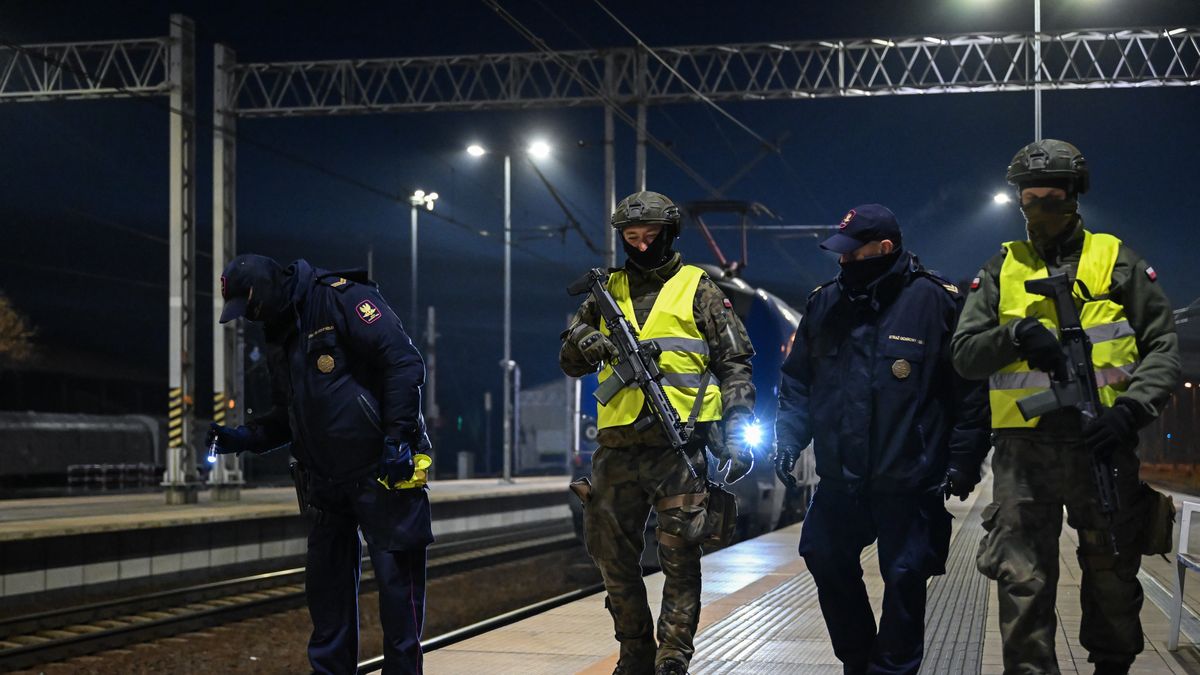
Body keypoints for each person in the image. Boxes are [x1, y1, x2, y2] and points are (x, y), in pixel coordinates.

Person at [951, 140, 1180, 675]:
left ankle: (1111, 667)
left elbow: (1163, 346)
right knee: (1022, 583)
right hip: (1022, 453)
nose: (1040, 205)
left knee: (1111, 573)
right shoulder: (1001, 267)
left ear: (1075, 195)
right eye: (1030, 196)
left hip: (1102, 443)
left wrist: (1130, 411)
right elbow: (963, 355)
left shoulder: (1116, 260)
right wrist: (1016, 333)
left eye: (1053, 194)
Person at [774, 204, 990, 675]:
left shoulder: (936, 303)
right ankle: (857, 659)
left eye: (853, 254)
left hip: (908, 478)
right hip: (840, 479)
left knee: (905, 578)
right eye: (841, 254)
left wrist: (964, 460)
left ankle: (890, 670)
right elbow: (798, 383)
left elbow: (968, 392)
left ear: (885, 249)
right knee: (822, 555)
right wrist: (788, 438)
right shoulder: (824, 303)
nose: (843, 263)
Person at [560, 190, 756, 675]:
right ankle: (634, 651)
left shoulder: (700, 287)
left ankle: (672, 657)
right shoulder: (605, 292)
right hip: (617, 450)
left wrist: (736, 424)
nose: (642, 245)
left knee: (680, 558)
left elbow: (735, 363)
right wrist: (586, 340)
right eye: (632, 237)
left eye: (650, 236)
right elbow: (568, 360)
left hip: (679, 448)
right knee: (611, 557)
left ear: (669, 234)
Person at [208, 254, 432, 675]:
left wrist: (398, 440)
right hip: (325, 484)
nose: (250, 319)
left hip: (382, 473)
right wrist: (245, 438)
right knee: (328, 603)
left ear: (262, 290)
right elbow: (288, 416)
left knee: (399, 601)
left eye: (249, 308)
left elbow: (403, 362)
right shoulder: (279, 334)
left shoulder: (341, 300)